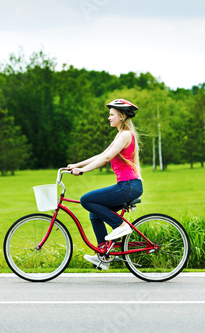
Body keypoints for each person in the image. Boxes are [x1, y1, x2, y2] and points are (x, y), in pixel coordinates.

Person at [66, 99, 143, 270]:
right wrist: (77, 165)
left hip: (128, 186)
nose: (109, 118)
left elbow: (106, 159)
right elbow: (103, 154)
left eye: (111, 114)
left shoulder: (124, 135)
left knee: (86, 200)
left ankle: (121, 226)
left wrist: (83, 171)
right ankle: (104, 256)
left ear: (121, 116)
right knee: (95, 215)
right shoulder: (121, 134)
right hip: (129, 186)